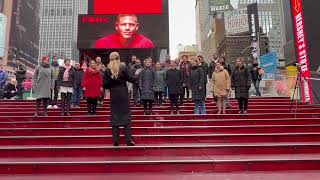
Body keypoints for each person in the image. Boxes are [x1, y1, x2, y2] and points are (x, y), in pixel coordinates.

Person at [103, 52, 135, 146]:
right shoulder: (123, 67)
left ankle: (116, 140)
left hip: (114, 94)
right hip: (123, 94)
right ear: (119, 58)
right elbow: (131, 79)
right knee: (126, 116)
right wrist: (137, 75)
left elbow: (104, 84)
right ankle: (128, 140)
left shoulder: (107, 69)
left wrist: (112, 82)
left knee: (115, 116)